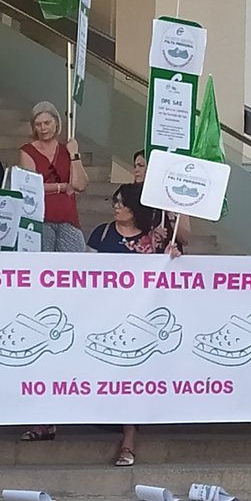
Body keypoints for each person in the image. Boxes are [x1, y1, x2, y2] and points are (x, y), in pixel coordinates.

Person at [88, 183, 173, 467]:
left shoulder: (154, 241)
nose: (117, 207)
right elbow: (82, 271)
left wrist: (170, 255)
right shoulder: (101, 233)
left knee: (132, 381)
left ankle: (129, 440)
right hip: (101, 316)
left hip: (138, 321)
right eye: (115, 201)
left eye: (123, 203)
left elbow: (171, 274)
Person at [19, 101, 88, 252]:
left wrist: (74, 154)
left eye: (47, 123)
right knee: (43, 264)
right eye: (38, 124)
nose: (43, 128)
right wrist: (61, 187)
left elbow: (80, 185)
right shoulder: (28, 151)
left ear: (56, 123)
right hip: (41, 218)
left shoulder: (66, 150)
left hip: (68, 218)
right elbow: (31, 187)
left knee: (74, 264)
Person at [132, 148, 191, 249]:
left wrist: (171, 213)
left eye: (141, 166)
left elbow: (185, 239)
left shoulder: (174, 197)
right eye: (135, 166)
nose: (136, 170)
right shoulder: (130, 195)